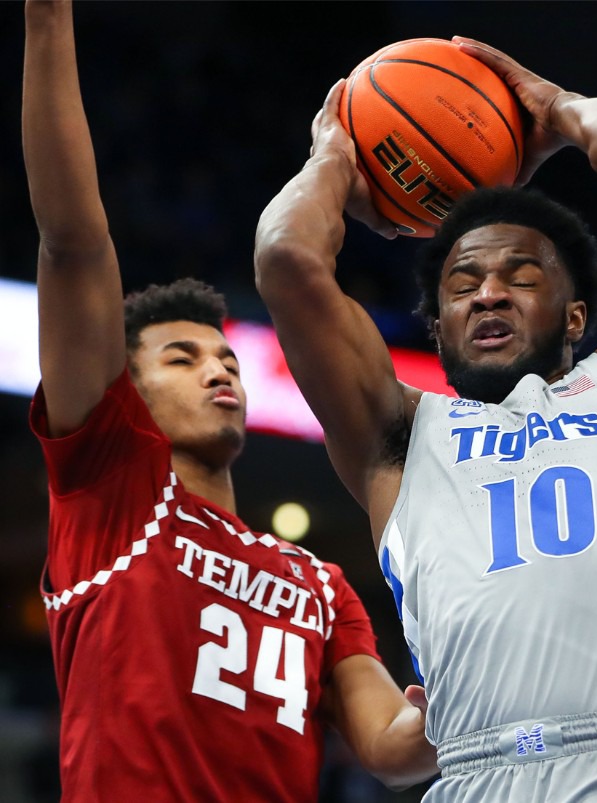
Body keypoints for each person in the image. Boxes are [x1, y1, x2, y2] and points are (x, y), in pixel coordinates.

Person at [255, 36, 597, 801]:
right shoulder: (400, 437)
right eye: (464, 282)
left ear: (576, 315)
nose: (489, 293)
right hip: (469, 776)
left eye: (521, 276)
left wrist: (556, 111)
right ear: (437, 329)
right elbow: (285, 256)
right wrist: (336, 156)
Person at [22, 2, 438, 800]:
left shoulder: (317, 581)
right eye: (182, 357)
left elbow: (391, 745)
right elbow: (73, 242)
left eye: (226, 358)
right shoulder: (112, 493)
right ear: (126, 398)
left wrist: (470, 691)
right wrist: (48, 20)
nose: (221, 371)